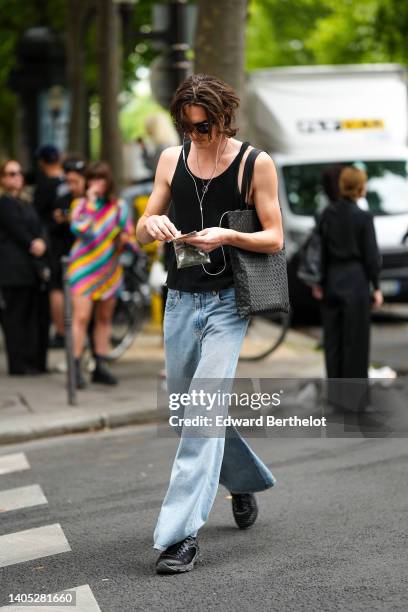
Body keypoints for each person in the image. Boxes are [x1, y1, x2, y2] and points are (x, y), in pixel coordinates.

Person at [136, 74, 283, 574]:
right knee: (188, 414)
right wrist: (149, 225)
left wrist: (227, 235)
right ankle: (242, 481)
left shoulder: (254, 163)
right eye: (190, 127)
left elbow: (275, 237)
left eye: (207, 126)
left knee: (199, 415)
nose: (198, 135)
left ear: (224, 118)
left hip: (227, 304)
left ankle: (179, 537)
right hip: (179, 300)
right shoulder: (169, 160)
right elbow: (141, 229)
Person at [312, 166, 383, 410]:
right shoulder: (364, 218)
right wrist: (376, 286)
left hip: (331, 281)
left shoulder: (326, 215)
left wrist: (318, 282)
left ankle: (335, 399)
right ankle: (357, 400)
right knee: (356, 341)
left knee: (333, 342)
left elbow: (318, 251)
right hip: (356, 283)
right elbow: (372, 257)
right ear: (361, 188)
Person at [67, 161, 137, 388]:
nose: (97, 184)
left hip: (110, 270)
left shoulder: (119, 207)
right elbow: (81, 230)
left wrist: (126, 241)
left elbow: (132, 238)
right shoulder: (79, 205)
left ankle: (100, 365)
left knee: (104, 319)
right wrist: (90, 203)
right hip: (83, 269)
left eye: (101, 179)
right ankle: (75, 367)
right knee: (81, 318)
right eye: (93, 179)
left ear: (108, 182)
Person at [0, 160, 50, 375]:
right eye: (11, 173)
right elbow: (15, 228)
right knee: (15, 317)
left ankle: (32, 361)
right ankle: (18, 364)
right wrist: (33, 243)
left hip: (30, 269)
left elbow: (39, 227)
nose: (17, 177)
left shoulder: (25, 202)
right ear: (2, 178)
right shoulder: (4, 203)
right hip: (13, 270)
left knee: (31, 315)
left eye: (19, 172)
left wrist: (42, 242)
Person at [33, 144, 69, 348]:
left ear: (41, 162)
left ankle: (61, 332)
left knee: (56, 286)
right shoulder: (67, 181)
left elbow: (37, 215)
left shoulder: (45, 185)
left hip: (53, 241)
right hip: (71, 239)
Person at [49, 157, 87, 340]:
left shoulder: (92, 200)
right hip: (65, 255)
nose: (72, 186)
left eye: (76, 182)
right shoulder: (62, 200)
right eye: (69, 182)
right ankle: (64, 337)